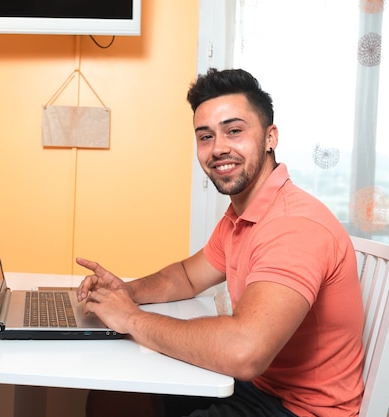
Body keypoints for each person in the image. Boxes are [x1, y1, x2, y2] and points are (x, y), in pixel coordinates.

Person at [76, 68, 365, 417]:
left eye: (234, 131)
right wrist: (125, 291)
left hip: (300, 410)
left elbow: (245, 351)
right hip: (258, 388)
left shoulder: (292, 226)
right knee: (113, 395)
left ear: (270, 137)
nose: (218, 148)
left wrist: (131, 319)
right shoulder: (243, 214)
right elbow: (186, 276)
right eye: (205, 137)